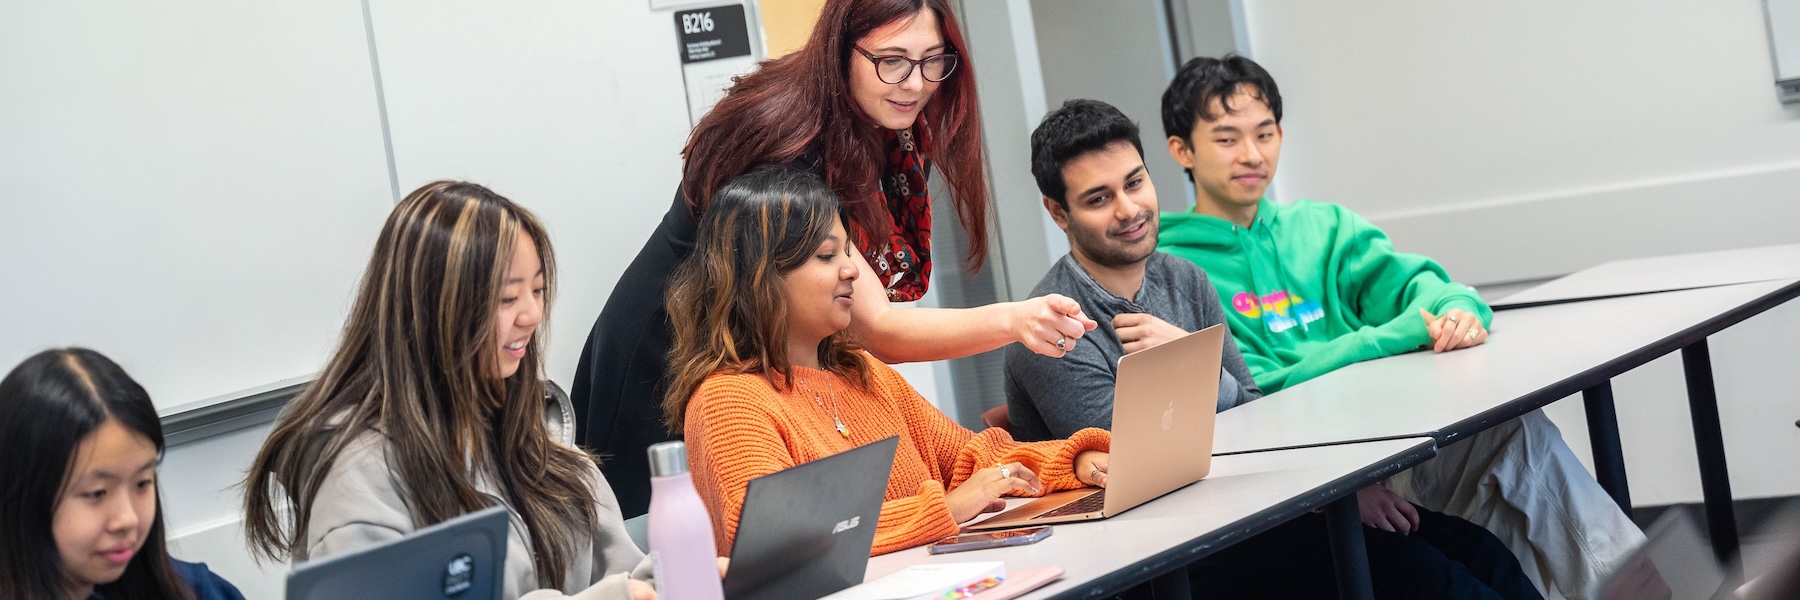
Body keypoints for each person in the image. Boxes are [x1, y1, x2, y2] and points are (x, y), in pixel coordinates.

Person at [571, 0, 1096, 518]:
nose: (915, 83)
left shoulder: (889, 128)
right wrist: (1015, 319)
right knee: (672, 542)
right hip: (663, 353)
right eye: (892, 61)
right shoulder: (787, 144)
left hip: (773, 356)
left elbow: (960, 454)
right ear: (842, 52)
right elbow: (880, 331)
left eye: (933, 60)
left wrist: (1073, 459)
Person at [1007, 98, 1542, 600]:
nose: (1129, 209)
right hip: (1166, 555)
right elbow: (1150, 472)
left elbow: (1257, 414)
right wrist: (1324, 507)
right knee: (1434, 581)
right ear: (1059, 213)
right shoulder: (1050, 329)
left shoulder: (1184, 280)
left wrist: (1188, 360)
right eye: (1099, 199)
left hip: (1249, 512)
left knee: (1481, 552)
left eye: (1135, 183)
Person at [1155, 55, 1647, 598]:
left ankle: (1641, 590)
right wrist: (1392, 336)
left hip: (1396, 452)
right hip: (1299, 488)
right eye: (1226, 140)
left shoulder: (1325, 228)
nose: (1252, 155)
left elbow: (1430, 289)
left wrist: (1457, 309)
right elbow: (1260, 391)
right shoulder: (1174, 269)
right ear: (1182, 150)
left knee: (1516, 436)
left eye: (1265, 133)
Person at [242, 182, 675, 600]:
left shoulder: (537, 435)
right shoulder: (360, 475)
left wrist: (681, 577)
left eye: (538, 290)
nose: (532, 314)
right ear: (434, 310)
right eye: (508, 299)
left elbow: (621, 575)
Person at [664, 168, 1112, 556]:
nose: (852, 270)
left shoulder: (860, 371)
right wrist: (947, 508)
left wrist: (1070, 462)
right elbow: (780, 543)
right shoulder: (726, 401)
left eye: (847, 252)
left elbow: (972, 458)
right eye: (826, 256)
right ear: (760, 276)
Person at [0, 348, 245, 600]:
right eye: (96, 493)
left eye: (142, 483)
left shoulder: (196, 591)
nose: (128, 519)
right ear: (23, 498)